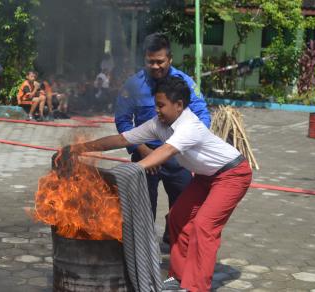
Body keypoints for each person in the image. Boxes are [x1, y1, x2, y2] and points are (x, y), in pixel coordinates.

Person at [56, 76, 252, 292]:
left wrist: (135, 168)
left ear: (178, 105)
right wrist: (79, 148)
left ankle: (196, 287)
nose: (157, 110)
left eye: (161, 105)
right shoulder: (159, 124)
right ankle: (178, 277)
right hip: (206, 177)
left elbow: (165, 151)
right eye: (155, 104)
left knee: (203, 227)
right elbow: (122, 139)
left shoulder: (190, 126)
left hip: (233, 174)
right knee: (177, 217)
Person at [115, 33, 211, 242]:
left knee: (184, 208)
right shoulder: (132, 85)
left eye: (160, 61)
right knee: (142, 211)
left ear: (170, 59)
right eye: (151, 62)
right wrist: (142, 150)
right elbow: (123, 121)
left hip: (177, 155)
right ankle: (144, 252)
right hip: (145, 155)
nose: (156, 66)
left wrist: (184, 144)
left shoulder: (184, 83)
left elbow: (202, 114)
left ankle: (175, 242)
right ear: (145, 59)